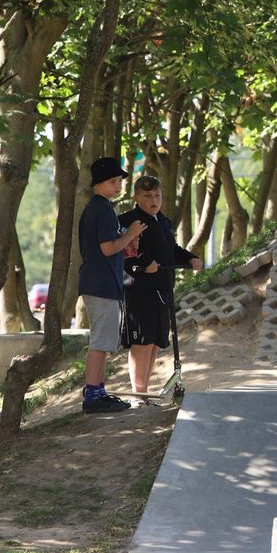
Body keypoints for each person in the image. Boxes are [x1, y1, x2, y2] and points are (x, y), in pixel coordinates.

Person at [119, 176, 204, 404]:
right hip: (139, 290)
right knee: (142, 342)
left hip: (162, 288)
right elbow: (127, 253)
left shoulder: (163, 221)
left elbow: (171, 249)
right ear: (136, 197)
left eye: (157, 195)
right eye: (147, 196)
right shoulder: (128, 221)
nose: (153, 200)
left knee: (155, 341)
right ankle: (139, 394)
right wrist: (145, 264)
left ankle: (145, 393)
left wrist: (191, 258)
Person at [77, 157, 145, 414]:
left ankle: (98, 390)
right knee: (101, 341)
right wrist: (131, 234)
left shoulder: (101, 208)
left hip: (103, 283)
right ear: (99, 184)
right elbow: (107, 248)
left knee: (104, 341)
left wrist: (127, 244)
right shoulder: (101, 208)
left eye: (119, 181)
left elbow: (109, 248)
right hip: (101, 284)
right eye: (113, 181)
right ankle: (93, 395)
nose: (118, 186)